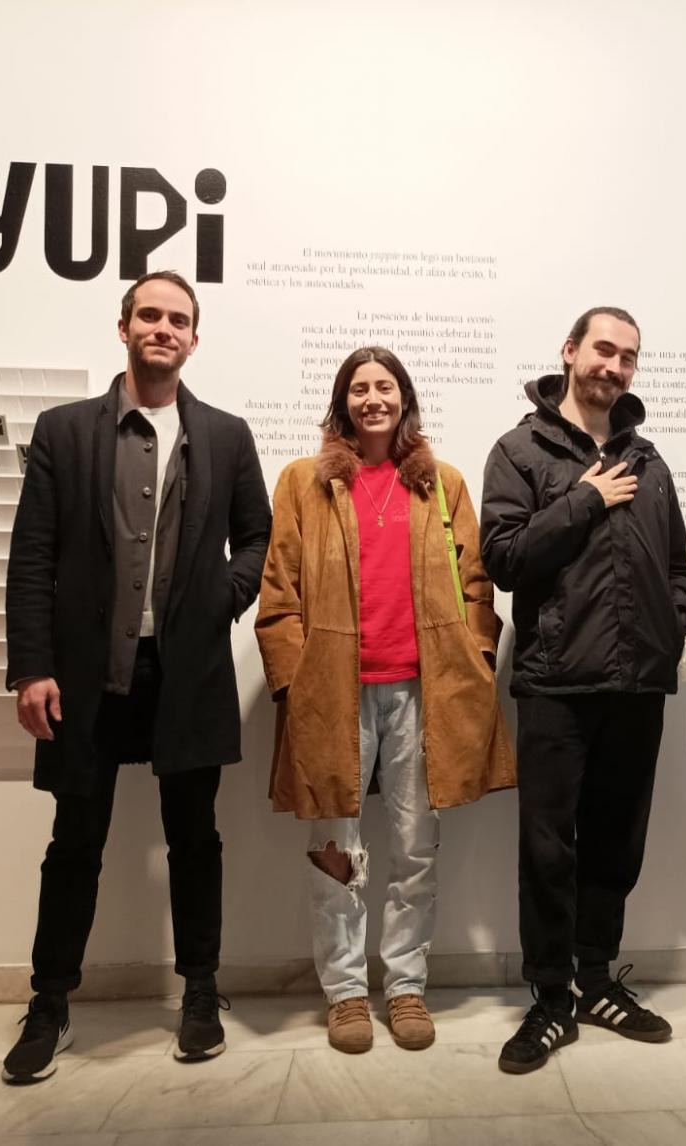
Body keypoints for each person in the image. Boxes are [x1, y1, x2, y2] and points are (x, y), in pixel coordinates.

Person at [1, 271, 272, 1083]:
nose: (163, 328)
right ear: (123, 327)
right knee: (74, 843)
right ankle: (50, 1003)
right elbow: (33, 556)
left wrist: (219, 599)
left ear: (195, 337)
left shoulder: (225, 435)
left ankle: (200, 990)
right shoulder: (64, 431)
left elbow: (256, 537)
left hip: (183, 671)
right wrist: (32, 667)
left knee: (195, 840)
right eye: (149, 314)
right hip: (85, 676)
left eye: (178, 319)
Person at [256, 346, 514, 1054]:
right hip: (334, 692)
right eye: (360, 388)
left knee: (414, 849)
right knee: (333, 848)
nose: (374, 398)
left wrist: (478, 656)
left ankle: (404, 987)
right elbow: (278, 591)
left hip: (423, 691)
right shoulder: (303, 482)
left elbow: (477, 583)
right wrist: (294, 680)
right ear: (343, 402)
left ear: (405, 398)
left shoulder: (443, 484)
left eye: (386, 386)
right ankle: (344, 993)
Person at [480, 306, 686, 1073]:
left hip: (639, 682)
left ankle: (598, 978)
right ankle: (549, 998)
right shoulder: (520, 450)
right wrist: (582, 500)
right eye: (604, 348)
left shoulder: (652, 460)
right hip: (554, 682)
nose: (615, 365)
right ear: (569, 353)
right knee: (547, 847)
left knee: (618, 840)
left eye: (629, 356)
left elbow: (676, 566)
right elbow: (502, 559)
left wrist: (676, 616)